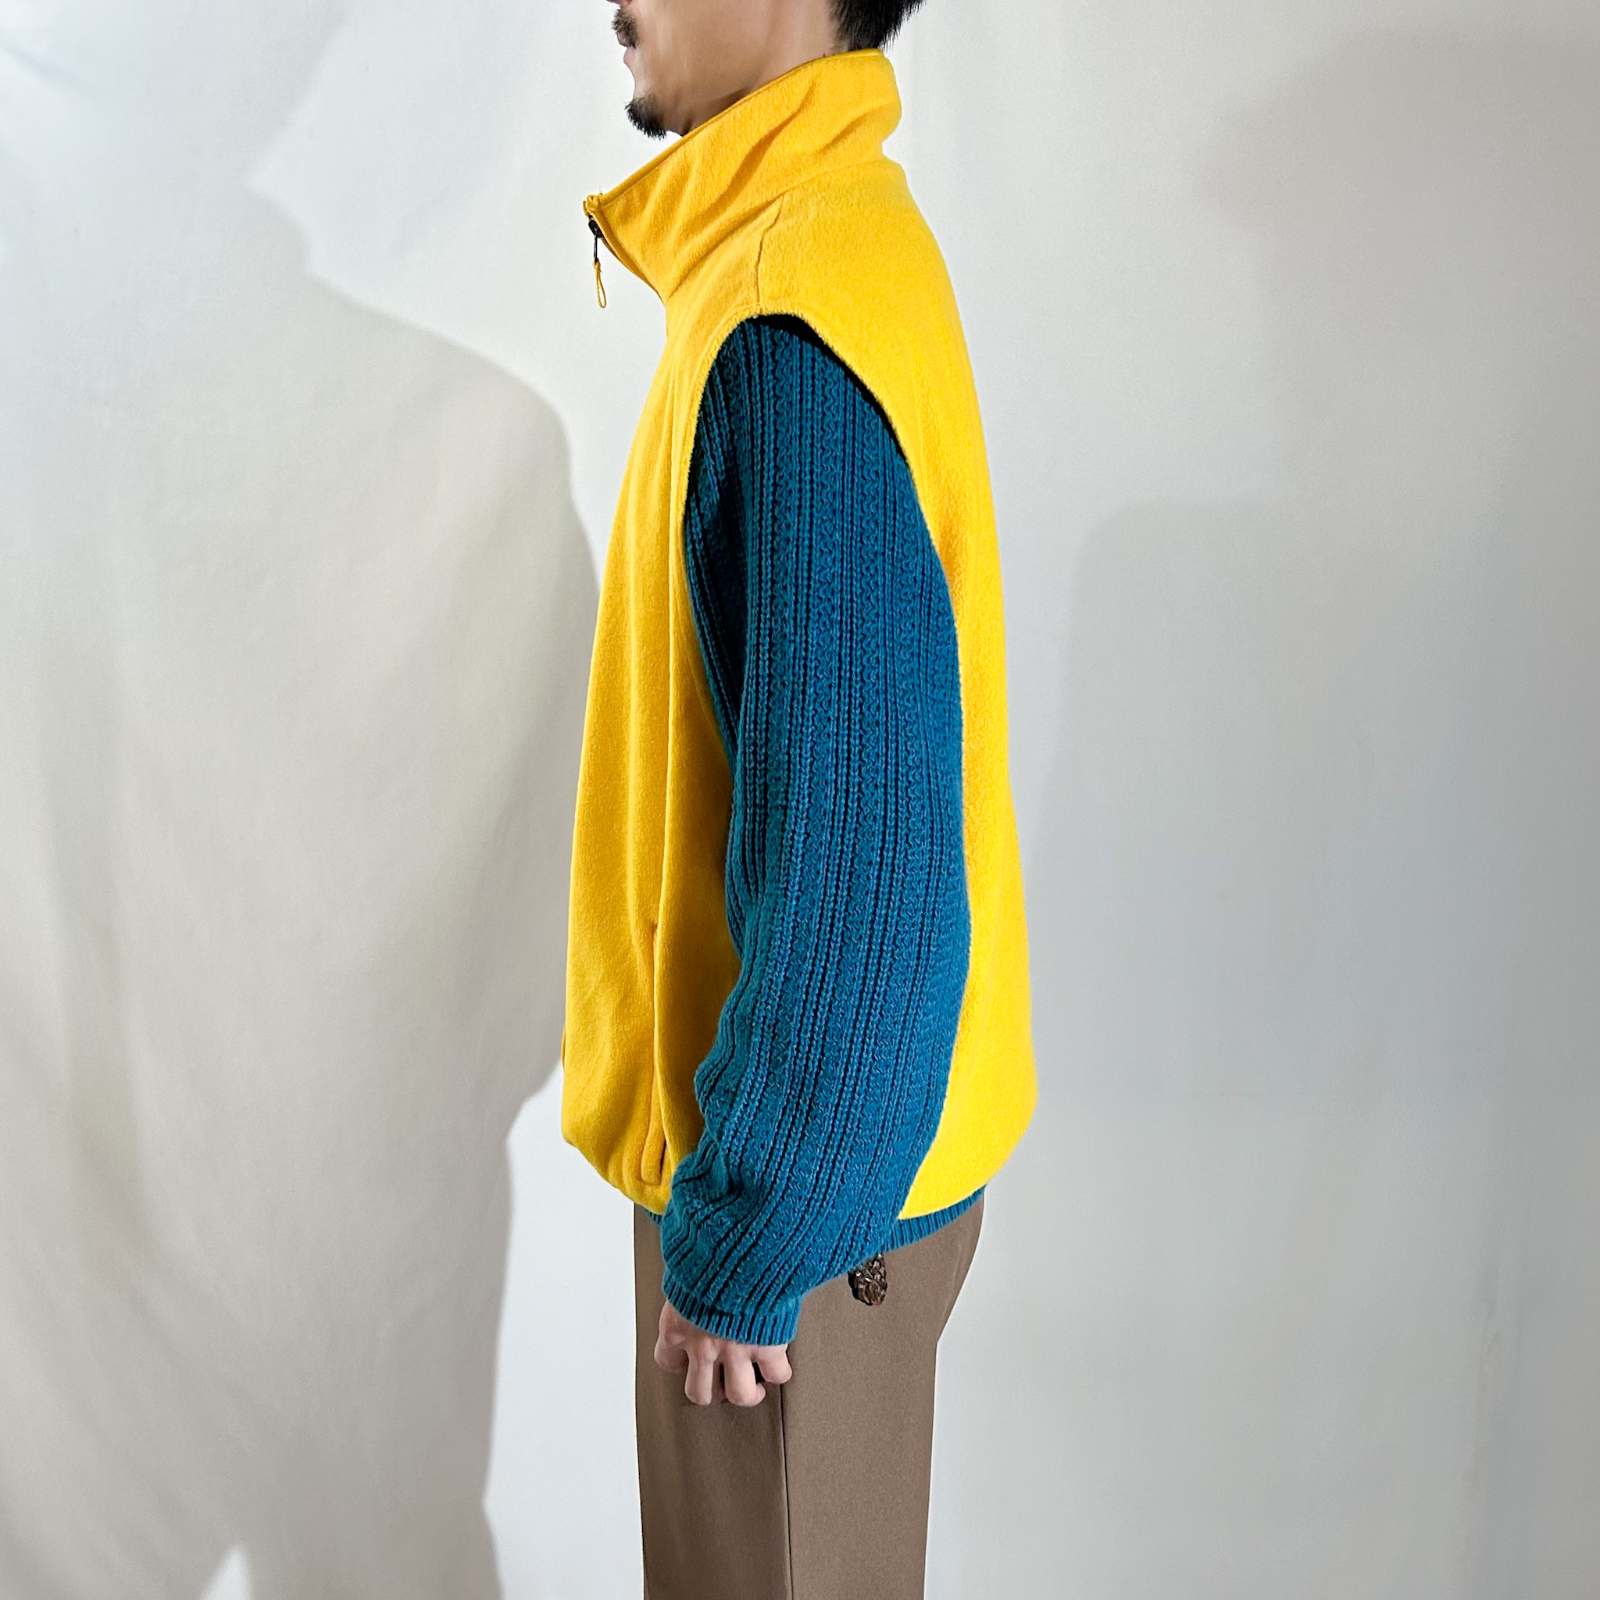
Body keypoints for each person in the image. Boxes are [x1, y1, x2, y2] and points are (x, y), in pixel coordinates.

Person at [560, 3, 1038, 1593]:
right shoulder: (818, 248)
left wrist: (755, 1229)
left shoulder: (791, 312)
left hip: (798, 1235)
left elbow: (864, 875)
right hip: (812, 1191)